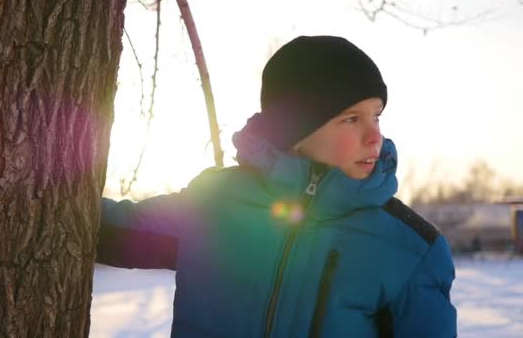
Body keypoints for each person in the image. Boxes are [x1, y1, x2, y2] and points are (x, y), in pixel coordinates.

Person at [96, 35, 457, 337]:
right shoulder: (214, 203)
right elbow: (100, 229)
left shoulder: (410, 248)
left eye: (376, 116)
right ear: (295, 129)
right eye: (351, 119)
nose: (374, 136)